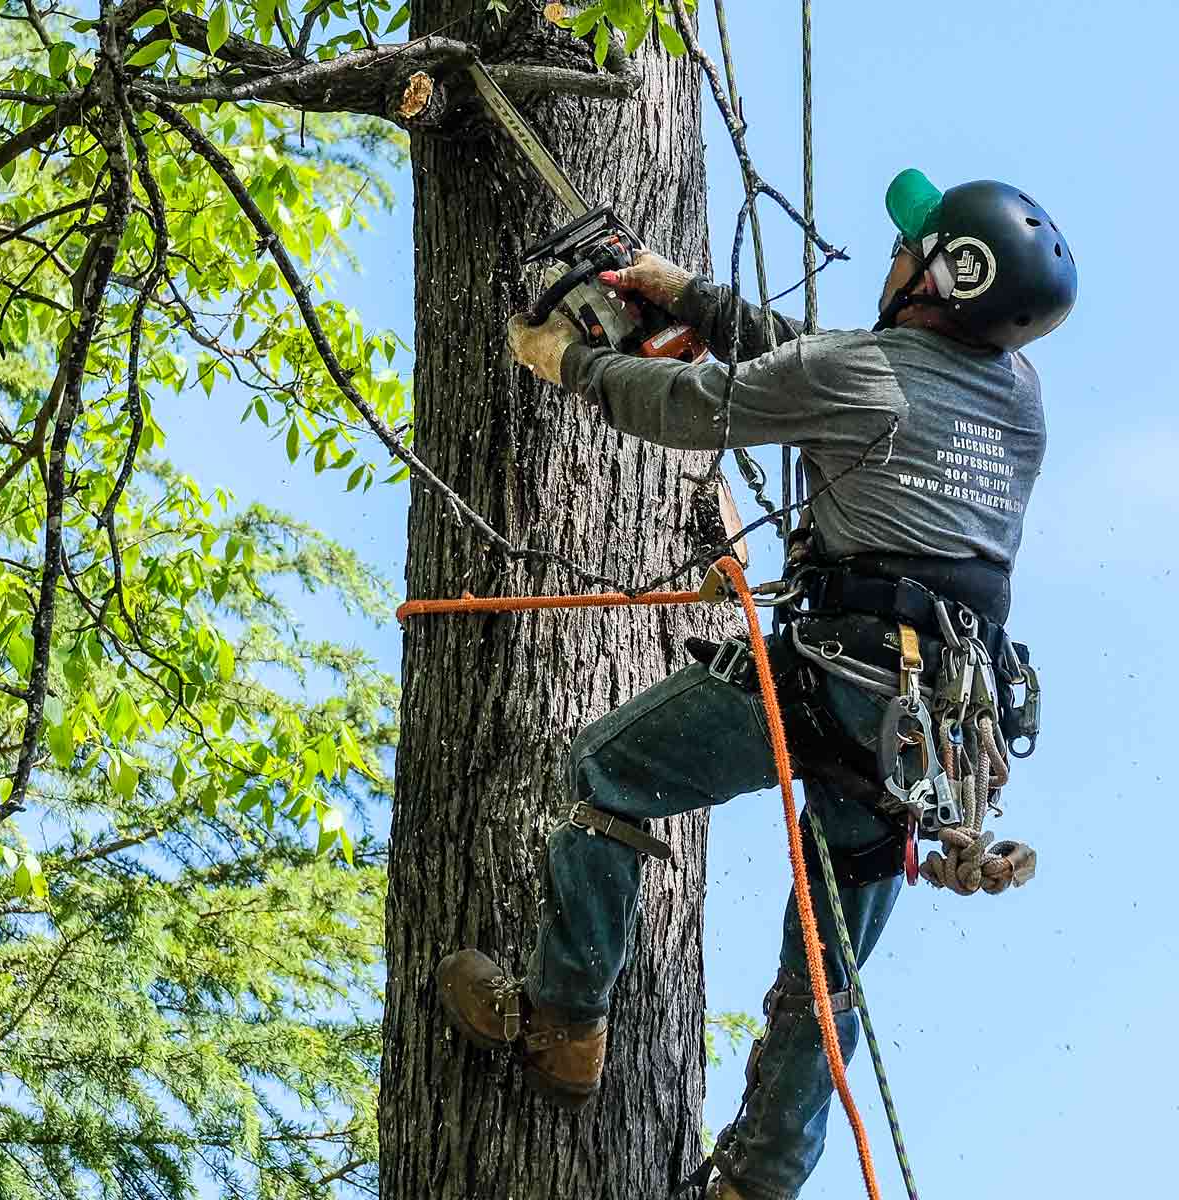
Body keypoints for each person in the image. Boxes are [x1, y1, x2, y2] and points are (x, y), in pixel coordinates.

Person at [436, 169, 1077, 1200]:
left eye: (909, 250)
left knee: (605, 771)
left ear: (940, 281)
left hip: (844, 674)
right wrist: (688, 296)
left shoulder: (862, 373)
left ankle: (559, 1024)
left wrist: (577, 363)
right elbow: (815, 363)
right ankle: (765, 1179)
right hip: (931, 732)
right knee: (826, 969)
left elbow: (702, 405)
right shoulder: (1018, 401)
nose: (894, 259)